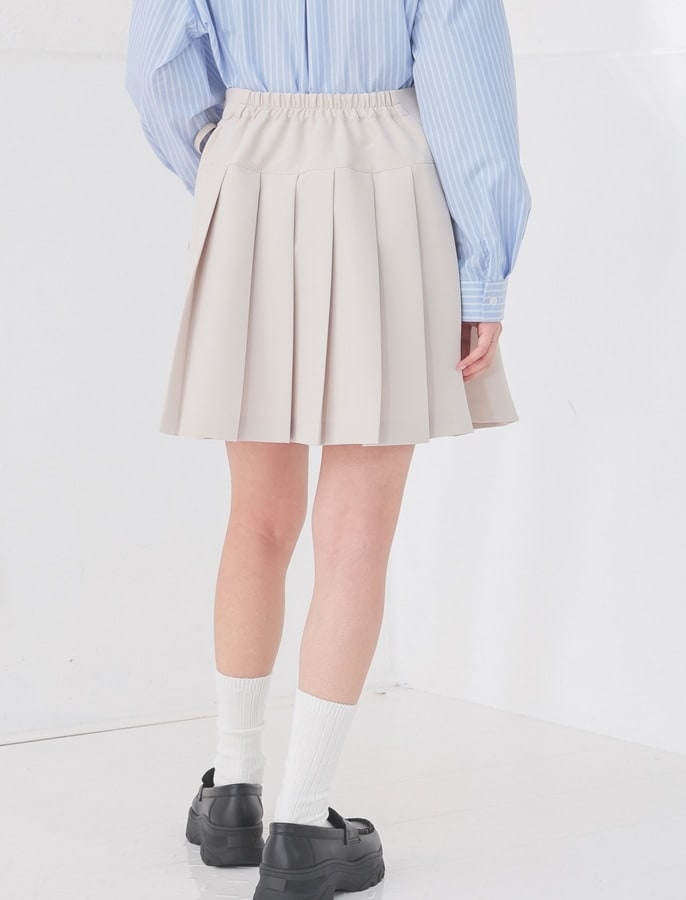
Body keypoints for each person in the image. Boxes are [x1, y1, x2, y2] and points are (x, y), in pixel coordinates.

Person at [125, 1, 531, 897]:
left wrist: (225, 162)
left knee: (256, 519)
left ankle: (234, 793)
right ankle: (303, 826)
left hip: (248, 169)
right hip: (386, 182)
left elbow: (155, 70)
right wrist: (483, 274)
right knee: (355, 535)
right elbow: (472, 111)